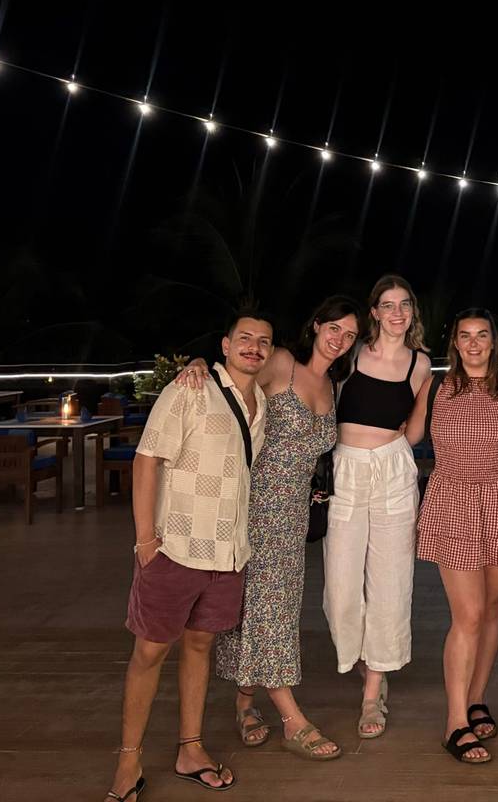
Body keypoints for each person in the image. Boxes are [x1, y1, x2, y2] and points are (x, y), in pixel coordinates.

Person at [180, 295, 360, 762]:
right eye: (334, 328)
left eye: (349, 334)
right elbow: (230, 385)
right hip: (256, 503)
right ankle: (292, 720)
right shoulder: (282, 362)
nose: (339, 339)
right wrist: (200, 362)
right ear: (316, 325)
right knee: (266, 608)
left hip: (293, 513)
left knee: (270, 608)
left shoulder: (332, 384)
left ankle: (244, 703)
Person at [101, 313, 272, 802]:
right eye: (245, 339)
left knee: (200, 646)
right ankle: (128, 761)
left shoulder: (260, 403)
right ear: (225, 346)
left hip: (228, 551)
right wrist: (145, 543)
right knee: (150, 651)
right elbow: (146, 459)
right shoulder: (190, 389)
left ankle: (190, 750)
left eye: (264, 342)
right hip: (175, 546)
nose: (254, 347)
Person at [404, 308, 498, 764]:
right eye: (465, 336)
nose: (474, 343)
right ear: (455, 344)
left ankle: (477, 697)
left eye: (482, 335)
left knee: (492, 609)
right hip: (453, 501)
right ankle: (455, 722)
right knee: (469, 615)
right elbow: (406, 435)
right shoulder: (435, 387)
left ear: (493, 342)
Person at [326, 275, 432, 738]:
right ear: (373, 312)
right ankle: (360, 657)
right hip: (346, 469)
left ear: (412, 311)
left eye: (404, 304)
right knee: (342, 584)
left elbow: (415, 430)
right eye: (387, 305)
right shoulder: (349, 354)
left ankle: (374, 689)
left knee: (391, 580)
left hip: (393, 469)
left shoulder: (420, 364)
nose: (396, 313)